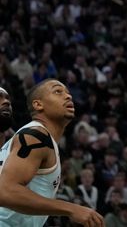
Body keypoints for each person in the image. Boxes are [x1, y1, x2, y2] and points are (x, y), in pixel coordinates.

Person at [0, 79, 104, 226]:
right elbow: (5, 192)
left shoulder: (34, 138)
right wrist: (71, 209)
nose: (68, 96)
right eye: (57, 91)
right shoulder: (35, 135)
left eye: (68, 93)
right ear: (38, 104)